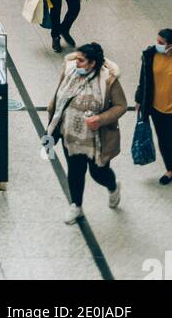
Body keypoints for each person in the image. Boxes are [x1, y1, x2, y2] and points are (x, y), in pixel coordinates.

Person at [45, 43, 125, 224]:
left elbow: (121, 106)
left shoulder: (108, 79)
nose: (76, 62)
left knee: (98, 173)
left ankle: (113, 186)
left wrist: (101, 119)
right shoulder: (69, 70)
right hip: (70, 134)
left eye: (81, 60)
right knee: (74, 171)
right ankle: (76, 206)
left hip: (96, 139)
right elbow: (59, 95)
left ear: (92, 63)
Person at [135, 28, 172, 188]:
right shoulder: (150, 55)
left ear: (171, 45)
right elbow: (144, 78)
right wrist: (139, 98)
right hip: (155, 108)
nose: (157, 45)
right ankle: (169, 170)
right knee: (162, 139)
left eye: (161, 43)